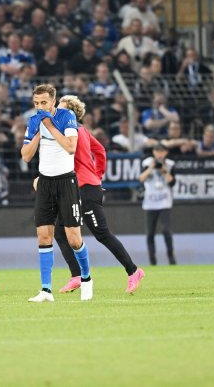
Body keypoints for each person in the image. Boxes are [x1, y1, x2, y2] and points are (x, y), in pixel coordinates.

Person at [49, 95, 145, 294]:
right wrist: (98, 174)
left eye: (61, 108)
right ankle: (76, 275)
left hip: (85, 188)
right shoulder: (81, 130)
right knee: (60, 232)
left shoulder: (71, 132)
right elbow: (100, 150)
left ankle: (133, 271)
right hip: (78, 187)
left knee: (102, 233)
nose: (57, 110)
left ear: (71, 114)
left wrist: (94, 178)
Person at [21, 84, 93, 302]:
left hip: (66, 182)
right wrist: (38, 133)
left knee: (73, 238)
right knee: (43, 235)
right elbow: (25, 155)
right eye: (36, 103)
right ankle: (45, 290)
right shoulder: (34, 121)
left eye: (43, 102)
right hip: (45, 182)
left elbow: (71, 147)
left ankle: (86, 279)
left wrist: (50, 126)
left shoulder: (66, 116)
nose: (39, 107)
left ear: (53, 101)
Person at [138, 143, 177, 265]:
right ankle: (152, 260)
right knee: (150, 233)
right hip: (150, 203)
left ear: (166, 153)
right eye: (157, 151)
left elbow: (172, 182)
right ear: (154, 152)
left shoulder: (170, 164)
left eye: (162, 151)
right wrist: (151, 168)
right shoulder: (147, 163)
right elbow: (141, 179)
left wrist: (164, 171)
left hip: (165, 202)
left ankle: (171, 258)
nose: (159, 154)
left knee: (166, 231)